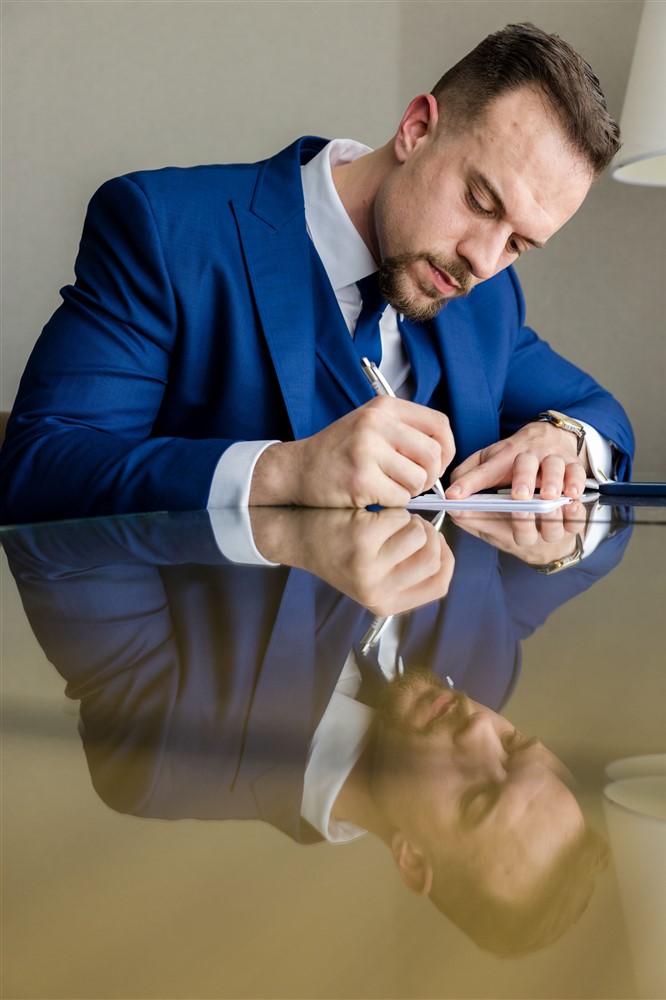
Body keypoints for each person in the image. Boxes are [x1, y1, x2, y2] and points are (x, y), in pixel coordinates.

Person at [0, 23, 634, 525]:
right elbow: (39, 468)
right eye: (480, 202)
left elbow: (597, 411)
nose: (485, 260)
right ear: (416, 129)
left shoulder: (488, 297)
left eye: (520, 242)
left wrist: (568, 442)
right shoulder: (165, 231)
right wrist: (283, 472)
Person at [3, 506, 617, 955]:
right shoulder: (488, 664)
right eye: (514, 745)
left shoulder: (165, 763)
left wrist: (278, 509)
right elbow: (606, 534)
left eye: (477, 797)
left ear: (411, 859)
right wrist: (561, 456)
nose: (478, 727)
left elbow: (60, 526)